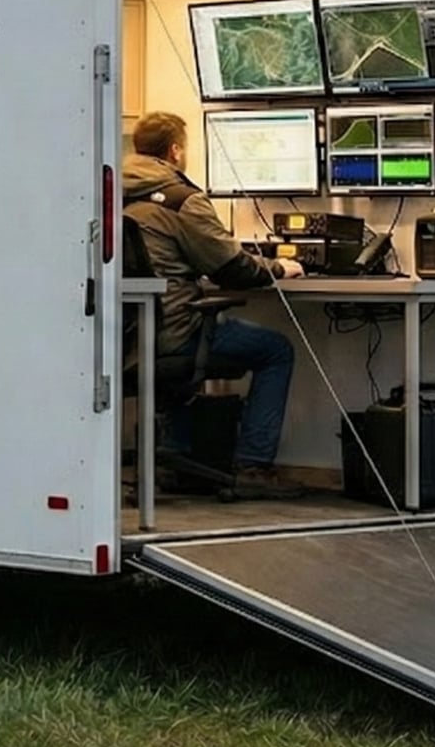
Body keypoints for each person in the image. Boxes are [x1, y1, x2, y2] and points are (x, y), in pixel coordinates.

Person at [123, 111, 303, 498]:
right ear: (175, 151)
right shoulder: (182, 200)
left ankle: (176, 457)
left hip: (122, 342)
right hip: (172, 335)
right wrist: (280, 267)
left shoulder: (106, 192)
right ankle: (253, 466)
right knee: (276, 350)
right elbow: (231, 268)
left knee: (193, 343)